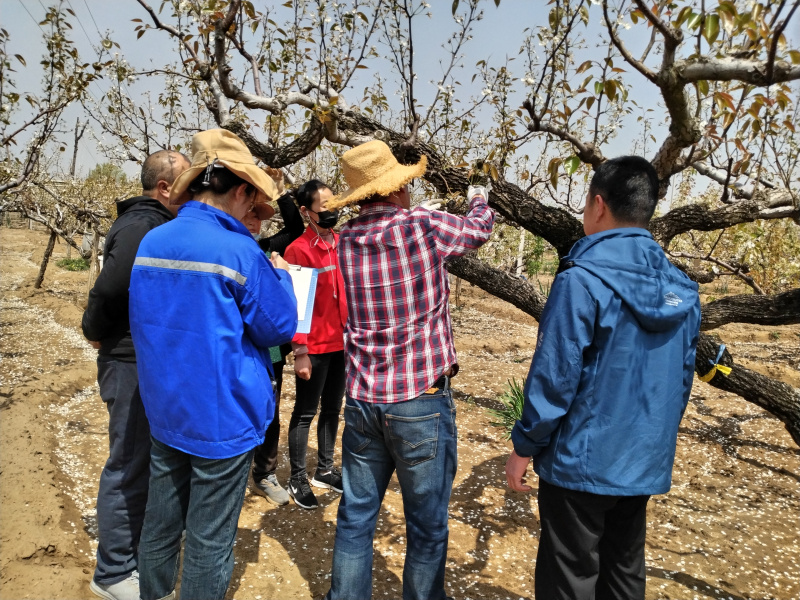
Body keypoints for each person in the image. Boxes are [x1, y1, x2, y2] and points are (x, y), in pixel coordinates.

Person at [505, 156, 701, 600]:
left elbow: (555, 379)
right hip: (642, 462)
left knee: (569, 576)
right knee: (624, 571)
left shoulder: (581, 280)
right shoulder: (682, 291)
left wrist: (523, 446)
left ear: (598, 204)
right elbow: (682, 381)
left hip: (580, 464)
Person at [128, 129, 298, 600]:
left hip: (165, 411)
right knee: (208, 541)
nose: (253, 216)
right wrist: (280, 278)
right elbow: (278, 327)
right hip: (221, 420)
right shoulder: (238, 251)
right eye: (253, 204)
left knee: (161, 525)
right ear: (241, 189)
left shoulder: (153, 240)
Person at [324, 140, 495, 600]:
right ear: (398, 187)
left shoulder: (344, 241)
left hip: (362, 397)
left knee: (356, 517)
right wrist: (479, 193)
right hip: (420, 397)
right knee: (426, 526)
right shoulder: (422, 224)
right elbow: (478, 230)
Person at [82, 149, 190, 600]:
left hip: (140, 361)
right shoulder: (142, 226)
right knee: (127, 465)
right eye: (185, 182)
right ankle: (111, 573)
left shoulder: (150, 223)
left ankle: (135, 556)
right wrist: (94, 331)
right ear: (164, 187)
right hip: (128, 363)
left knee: (142, 462)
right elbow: (109, 287)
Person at [283, 179, 348, 509]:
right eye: (324, 206)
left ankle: (324, 469)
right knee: (306, 412)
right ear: (307, 212)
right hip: (315, 347)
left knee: (333, 408)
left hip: (342, 344)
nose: (332, 211)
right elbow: (297, 306)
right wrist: (301, 351)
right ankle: (297, 477)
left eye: (334, 204)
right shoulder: (299, 250)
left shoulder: (340, 242)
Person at [242, 177, 306, 506]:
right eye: (249, 213)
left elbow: (295, 226)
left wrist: (280, 191)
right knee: (239, 410)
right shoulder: (229, 249)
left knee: (270, 410)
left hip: (270, 352)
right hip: (239, 351)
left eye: (258, 215)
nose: (254, 219)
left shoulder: (267, 247)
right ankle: (236, 474)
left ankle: (263, 474)